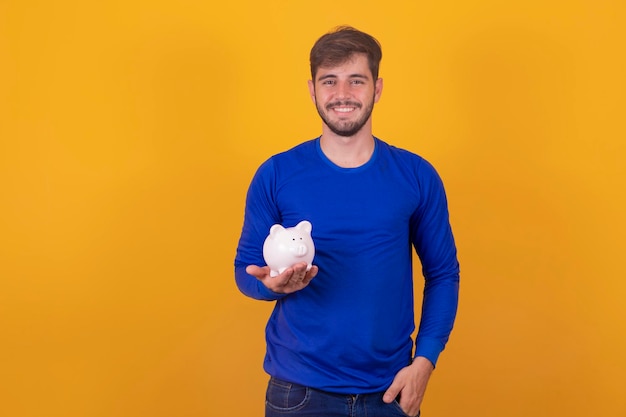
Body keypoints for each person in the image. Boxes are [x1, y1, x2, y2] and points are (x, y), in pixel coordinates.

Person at [234, 26, 459, 417]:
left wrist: (425, 361)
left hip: (391, 392)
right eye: (329, 81)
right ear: (312, 90)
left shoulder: (416, 176)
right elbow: (244, 273)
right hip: (299, 394)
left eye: (356, 81)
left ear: (378, 87)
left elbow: (443, 273)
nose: (342, 95)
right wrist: (271, 286)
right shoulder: (276, 173)